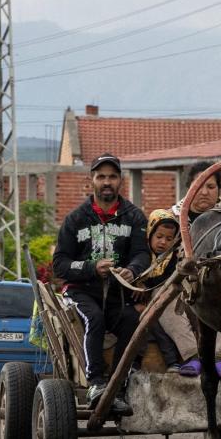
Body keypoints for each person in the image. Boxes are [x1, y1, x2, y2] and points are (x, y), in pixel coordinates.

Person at [52, 153, 151, 412]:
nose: (107, 182)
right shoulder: (75, 219)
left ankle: (118, 386)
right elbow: (60, 264)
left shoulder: (134, 217)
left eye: (112, 176)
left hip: (119, 294)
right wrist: (91, 268)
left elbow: (143, 253)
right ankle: (96, 383)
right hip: (81, 291)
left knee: (133, 321)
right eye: (101, 177)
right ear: (92, 180)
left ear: (120, 181)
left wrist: (133, 269)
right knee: (93, 318)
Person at [169, 161, 221, 377]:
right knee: (164, 302)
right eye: (199, 186)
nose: (204, 192)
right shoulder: (170, 220)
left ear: (220, 190)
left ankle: (217, 358)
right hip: (179, 287)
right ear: (189, 188)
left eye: (211, 186)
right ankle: (192, 356)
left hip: (219, 286)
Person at [131, 209, 185, 370]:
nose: (163, 242)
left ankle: (172, 361)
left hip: (162, 303)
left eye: (169, 239)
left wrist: (146, 287)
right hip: (138, 303)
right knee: (141, 319)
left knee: (152, 318)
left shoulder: (173, 258)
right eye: (159, 237)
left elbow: (166, 279)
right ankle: (135, 362)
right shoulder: (141, 256)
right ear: (150, 233)